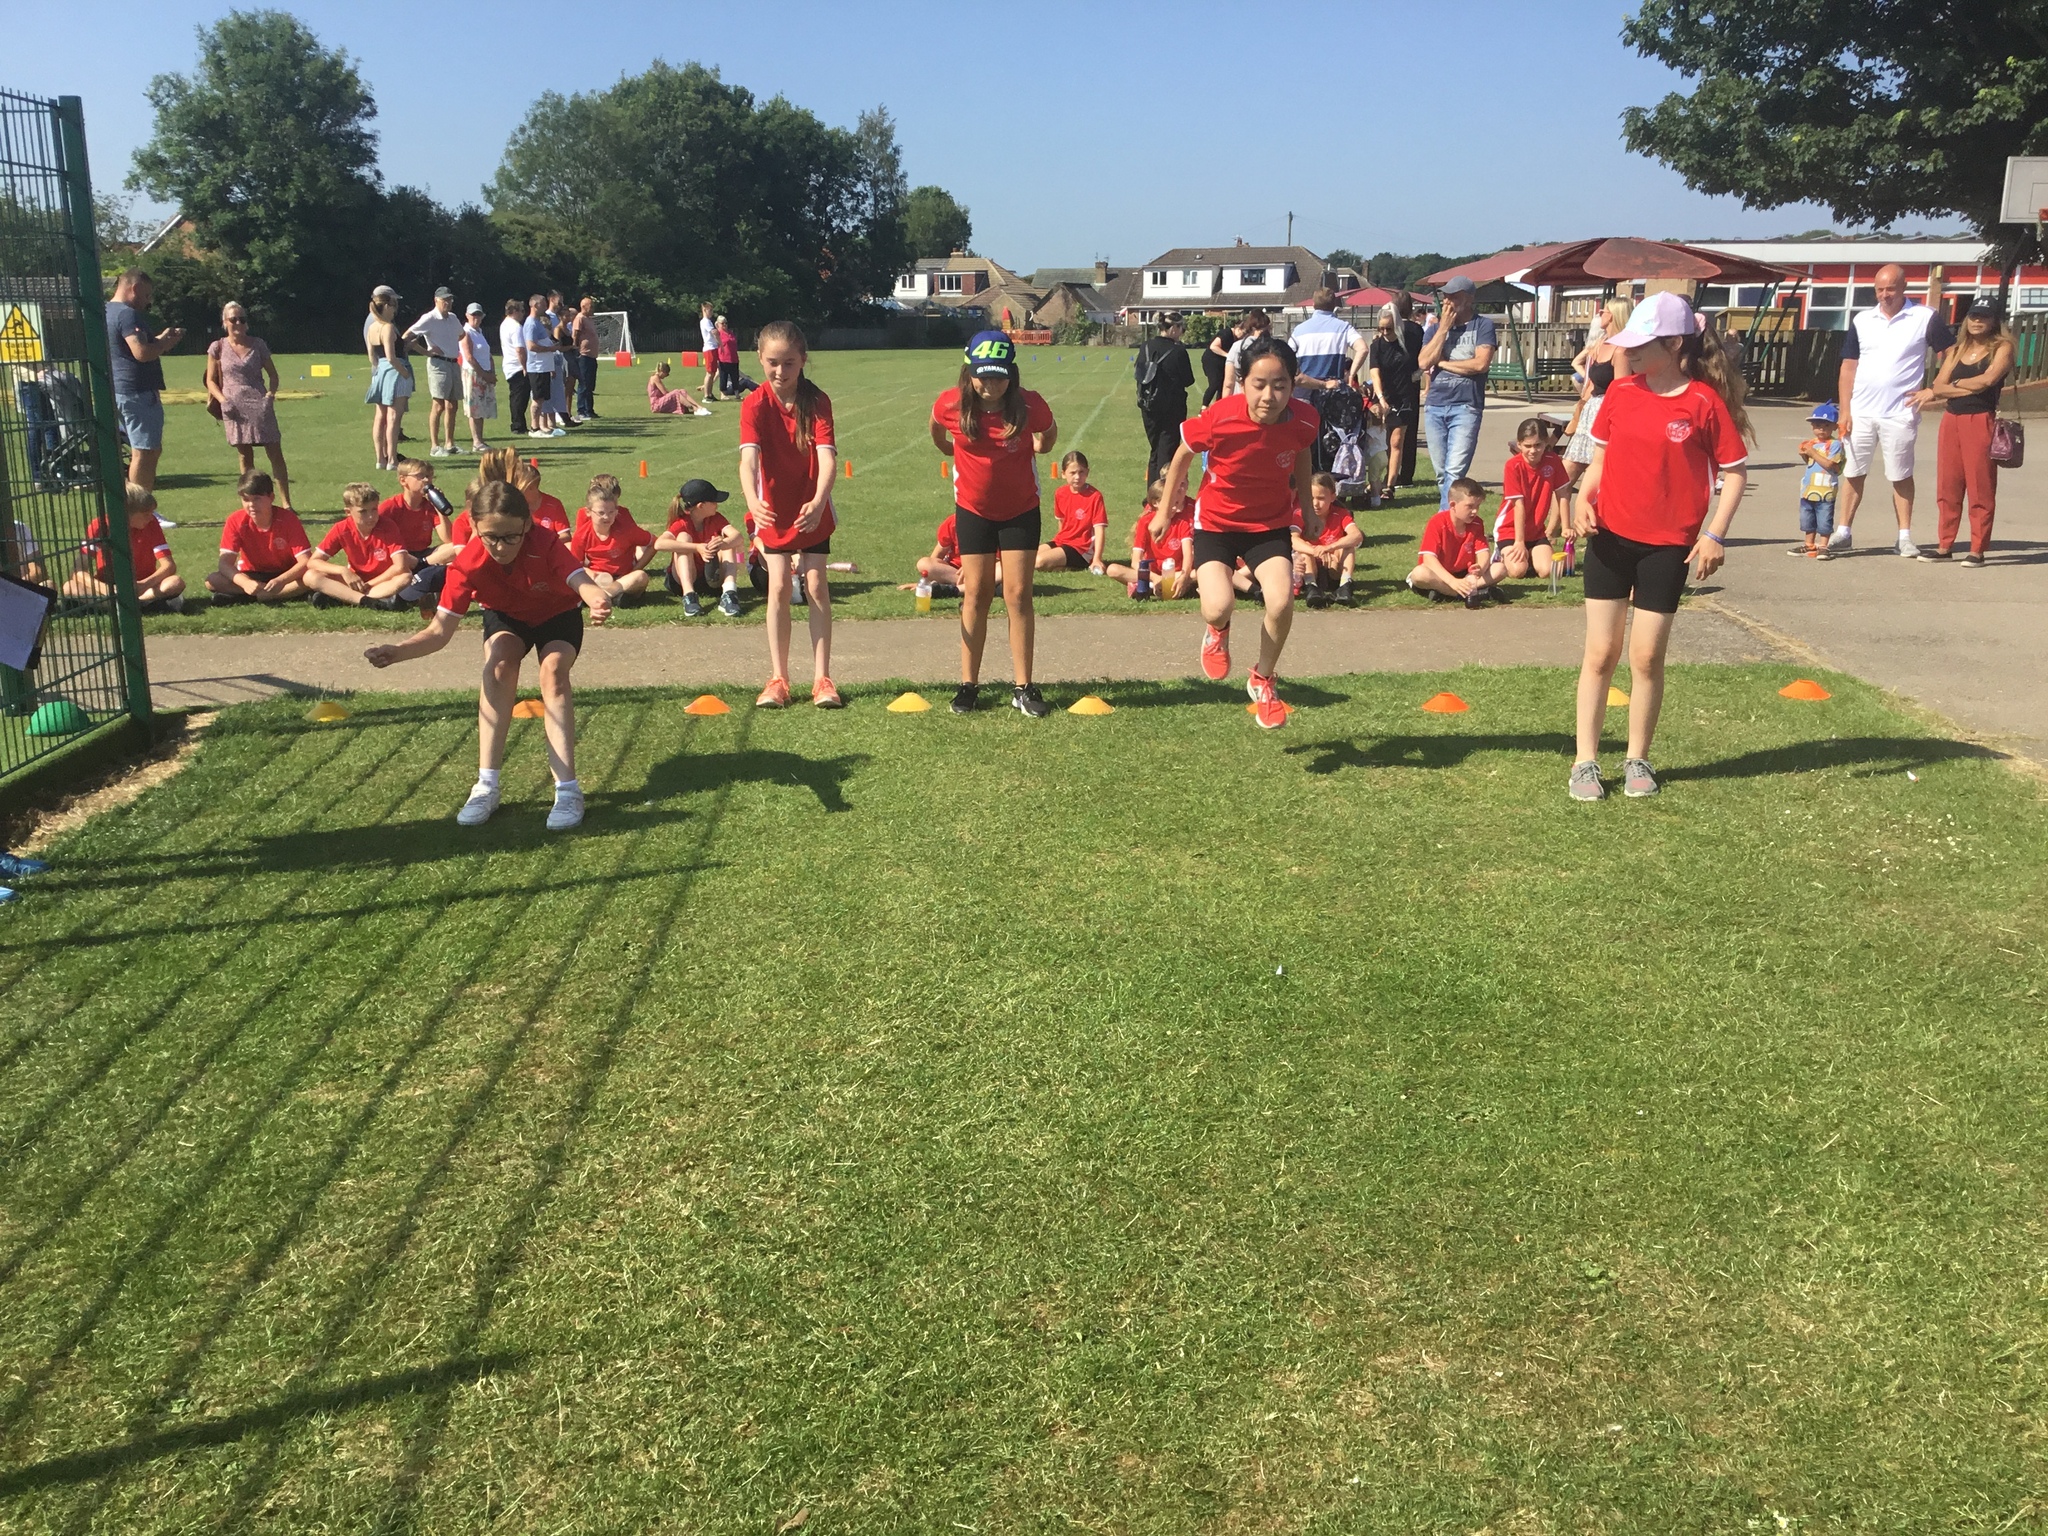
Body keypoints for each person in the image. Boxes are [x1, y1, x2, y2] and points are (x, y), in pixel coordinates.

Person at [1569, 293, 1750, 801]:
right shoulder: (1620, 393)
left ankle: (1637, 759)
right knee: (1600, 653)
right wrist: (1582, 500)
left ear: (1673, 345)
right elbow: (1599, 462)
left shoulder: (1703, 403)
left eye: (1641, 344)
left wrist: (1714, 534)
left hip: (1668, 548)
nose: (1629, 352)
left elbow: (1735, 473)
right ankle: (1585, 762)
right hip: (1609, 539)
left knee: (1646, 658)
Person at [366, 480, 611, 830]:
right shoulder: (467, 564)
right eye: (490, 537)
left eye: (511, 537)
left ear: (526, 525)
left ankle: (568, 791)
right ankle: (486, 786)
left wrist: (596, 598)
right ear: (474, 526)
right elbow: (438, 632)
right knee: (499, 666)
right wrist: (398, 651)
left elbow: (579, 579)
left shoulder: (544, 541)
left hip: (557, 614)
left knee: (554, 672)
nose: (500, 547)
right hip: (506, 616)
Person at [1153, 334, 1319, 728]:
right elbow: (1182, 455)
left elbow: (1301, 453)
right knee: (1218, 606)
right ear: (1243, 382)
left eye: (1280, 385)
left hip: (1269, 524)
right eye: (1259, 385)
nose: (1269, 396)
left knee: (1281, 601)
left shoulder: (1304, 419)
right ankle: (1217, 630)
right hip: (1217, 524)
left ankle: (1263, 679)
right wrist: (1163, 512)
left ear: (1293, 384)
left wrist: (1308, 509)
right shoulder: (1221, 416)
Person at [931, 330, 1059, 716]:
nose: (991, 385)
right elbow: (937, 429)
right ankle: (968, 685)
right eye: (983, 376)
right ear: (968, 372)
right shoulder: (951, 404)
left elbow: (1049, 432)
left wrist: (1040, 446)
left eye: (999, 377)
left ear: (1011, 374)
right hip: (973, 511)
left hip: (1021, 510)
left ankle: (1024, 686)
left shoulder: (1028, 405)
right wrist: (951, 449)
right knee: (976, 593)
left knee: (1018, 595)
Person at [742, 320, 841, 707]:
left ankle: (822, 679)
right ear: (759, 359)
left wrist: (818, 501)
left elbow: (827, 458)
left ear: (802, 360)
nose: (780, 371)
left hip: (810, 505)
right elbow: (748, 460)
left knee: (815, 585)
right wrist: (752, 502)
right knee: (779, 586)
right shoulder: (754, 404)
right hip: (773, 509)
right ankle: (778, 679)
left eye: (789, 363)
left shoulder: (817, 402)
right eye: (772, 363)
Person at [1831, 262, 1950, 556]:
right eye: (1880, 290)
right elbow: (1848, 366)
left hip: (1900, 412)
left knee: (1900, 474)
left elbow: (1950, 353)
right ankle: (1843, 531)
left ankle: (1904, 537)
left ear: (1904, 288)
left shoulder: (1925, 317)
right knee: (1853, 472)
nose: (1885, 295)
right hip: (1861, 411)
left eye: (1891, 289)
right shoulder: (1862, 320)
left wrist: (1934, 389)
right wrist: (1845, 410)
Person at [1914, 296, 2014, 566]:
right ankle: (1944, 545)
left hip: (1980, 420)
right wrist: (1961, 386)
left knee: (1980, 486)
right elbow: (1938, 386)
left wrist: (1955, 385)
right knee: (1948, 485)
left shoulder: (2002, 347)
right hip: (1951, 420)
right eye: (1974, 316)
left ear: (1994, 321)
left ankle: (1977, 549)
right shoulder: (1958, 349)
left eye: (1984, 316)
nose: (1977, 321)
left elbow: (1988, 380)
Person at [203, 302, 294, 511]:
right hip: (233, 407)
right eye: (233, 319)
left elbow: (273, 375)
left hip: (260, 404)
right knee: (245, 455)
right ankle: (250, 502)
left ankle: (286, 504)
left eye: (242, 319)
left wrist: (270, 395)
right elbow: (211, 380)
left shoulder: (258, 344)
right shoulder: (217, 347)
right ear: (224, 322)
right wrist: (223, 400)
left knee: (275, 452)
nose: (238, 323)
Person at [1418, 276, 1497, 511]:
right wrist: (1443, 328)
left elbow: (1480, 364)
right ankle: (1451, 519)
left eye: (1454, 296)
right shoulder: (1435, 329)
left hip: (1466, 406)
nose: (1447, 301)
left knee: (1454, 471)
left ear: (1469, 299)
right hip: (1435, 406)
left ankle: (1445, 521)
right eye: (1445, 296)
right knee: (1442, 473)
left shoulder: (1483, 326)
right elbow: (1423, 361)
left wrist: (1443, 363)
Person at [104, 268, 182, 492]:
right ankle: (140, 504)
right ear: (134, 288)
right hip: (137, 392)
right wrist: (165, 345)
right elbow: (141, 352)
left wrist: (159, 339)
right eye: (146, 295)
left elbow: (125, 348)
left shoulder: (107, 311)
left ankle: (136, 501)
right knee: (144, 451)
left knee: (148, 449)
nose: (148, 301)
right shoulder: (127, 314)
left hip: (119, 389)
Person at [70, 481, 186, 611]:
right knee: (70, 587)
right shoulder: (99, 526)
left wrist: (143, 585)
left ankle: (119, 604)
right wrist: (105, 589)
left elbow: (169, 565)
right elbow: (78, 570)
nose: (151, 518)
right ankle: (138, 603)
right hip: (107, 584)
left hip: (143, 584)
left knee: (175, 582)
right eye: (146, 514)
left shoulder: (152, 524)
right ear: (125, 513)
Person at [205, 471, 311, 604]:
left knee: (310, 577)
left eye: (257, 499)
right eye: (246, 499)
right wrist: (245, 583)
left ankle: (253, 596)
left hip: (286, 573)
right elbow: (225, 563)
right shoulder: (235, 520)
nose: (251, 504)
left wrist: (281, 580)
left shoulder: (288, 519)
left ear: (271, 497)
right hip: (252, 574)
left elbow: (305, 561)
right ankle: (279, 594)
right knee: (212, 580)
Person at [1564, 298, 1635, 496]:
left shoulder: (1622, 350)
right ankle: (1555, 517)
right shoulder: (1601, 343)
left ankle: (1591, 512)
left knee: (1598, 475)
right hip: (1590, 411)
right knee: (1563, 477)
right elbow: (1590, 381)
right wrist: (1580, 408)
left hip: (1607, 411)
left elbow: (1622, 391)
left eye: (1604, 310)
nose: (1600, 312)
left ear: (1613, 315)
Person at [306, 481, 415, 610]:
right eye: (363, 512)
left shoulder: (388, 526)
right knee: (310, 576)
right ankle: (369, 601)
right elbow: (313, 562)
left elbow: (400, 566)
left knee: (405, 577)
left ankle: (344, 597)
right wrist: (343, 571)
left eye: (374, 509)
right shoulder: (341, 528)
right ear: (348, 512)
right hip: (355, 580)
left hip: (382, 581)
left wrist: (368, 584)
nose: (371, 516)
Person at [658, 478, 748, 616]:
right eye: (713, 501)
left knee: (729, 542)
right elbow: (659, 544)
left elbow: (738, 536)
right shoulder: (682, 522)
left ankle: (729, 593)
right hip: (681, 581)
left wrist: (722, 543)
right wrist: (697, 548)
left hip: (711, 578)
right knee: (683, 538)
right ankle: (689, 596)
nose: (717, 504)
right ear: (701, 506)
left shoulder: (716, 518)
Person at [1405, 480, 1502, 607]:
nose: (1475, 511)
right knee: (1419, 574)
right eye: (1470, 506)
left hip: (1464, 574)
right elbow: (1428, 559)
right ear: (1453, 505)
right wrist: (1452, 582)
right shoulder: (1437, 522)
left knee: (1500, 568)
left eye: (1477, 506)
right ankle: (1468, 594)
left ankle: (1448, 593)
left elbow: (1483, 552)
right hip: (1440, 574)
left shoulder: (1477, 523)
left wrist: (1480, 568)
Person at [1498, 417, 1568, 580]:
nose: (1533, 451)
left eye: (1538, 445)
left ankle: (1532, 556)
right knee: (1517, 571)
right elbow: (1519, 505)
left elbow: (1563, 494)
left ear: (1545, 443)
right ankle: (1502, 555)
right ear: (1519, 445)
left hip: (1536, 531)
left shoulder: (1553, 461)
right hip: (1510, 530)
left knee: (1548, 571)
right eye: (1527, 446)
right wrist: (1519, 542)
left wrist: (1566, 527)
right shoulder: (1513, 465)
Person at [1366, 302, 1422, 502]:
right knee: (1379, 443)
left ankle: (1389, 486)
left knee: (1396, 441)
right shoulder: (1377, 346)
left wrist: (1419, 374)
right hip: (1383, 396)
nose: (1384, 332)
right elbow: (1375, 373)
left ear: (1396, 326)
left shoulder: (1409, 342)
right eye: (1381, 328)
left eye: (1388, 329)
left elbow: (1423, 359)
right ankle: (1374, 482)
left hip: (1405, 397)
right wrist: (1381, 397)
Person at [570, 473, 654, 602]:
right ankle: (614, 596)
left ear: (616, 511)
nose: (606, 517)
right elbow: (575, 566)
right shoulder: (582, 533)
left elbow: (654, 542)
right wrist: (593, 574)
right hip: (598, 577)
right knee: (576, 573)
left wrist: (635, 569)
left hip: (623, 577)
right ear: (588, 512)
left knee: (641, 576)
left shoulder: (626, 529)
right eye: (601, 513)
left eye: (611, 512)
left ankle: (604, 595)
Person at [1106, 476, 1193, 599]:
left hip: (1175, 573)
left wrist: (1184, 575)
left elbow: (1188, 554)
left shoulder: (1183, 522)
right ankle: (1154, 585)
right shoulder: (1145, 522)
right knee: (1112, 569)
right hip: (1152, 573)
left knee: (1196, 573)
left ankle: (1147, 587)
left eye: (1177, 503)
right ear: (1155, 503)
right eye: (1169, 504)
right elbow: (1135, 561)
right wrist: (1155, 577)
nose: (1174, 507)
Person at [404, 287, 466, 457]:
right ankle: (434, 446)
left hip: (453, 362)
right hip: (438, 364)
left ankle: (450, 443)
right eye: (444, 300)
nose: (448, 303)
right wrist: (426, 351)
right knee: (438, 405)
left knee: (452, 405)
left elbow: (461, 335)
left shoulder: (453, 318)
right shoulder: (429, 318)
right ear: (436, 300)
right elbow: (407, 336)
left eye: (450, 299)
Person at [1134, 315, 1197, 481]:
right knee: (1167, 453)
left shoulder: (1146, 346)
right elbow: (1188, 380)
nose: (1182, 333)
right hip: (1172, 408)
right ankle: (1162, 491)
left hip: (1148, 405)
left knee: (1155, 451)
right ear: (1174, 328)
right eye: (1182, 328)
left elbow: (1139, 373)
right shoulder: (1178, 351)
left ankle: (1152, 492)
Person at [364, 289, 416, 470]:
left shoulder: (371, 328)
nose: (394, 310)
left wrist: (380, 371)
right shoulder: (387, 327)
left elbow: (372, 357)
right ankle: (392, 459)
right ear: (386, 306)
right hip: (395, 372)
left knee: (380, 417)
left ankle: (380, 459)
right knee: (393, 417)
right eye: (393, 306)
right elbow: (392, 356)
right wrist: (405, 373)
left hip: (380, 372)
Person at [1293, 471, 1361, 607]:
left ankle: (1345, 585)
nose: (1315, 503)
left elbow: (1356, 536)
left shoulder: (1341, 514)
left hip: (1333, 564)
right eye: (1311, 498)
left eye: (1321, 498)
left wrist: (1328, 548)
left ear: (1332, 497)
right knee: (1304, 551)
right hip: (1310, 566)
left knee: (1348, 547)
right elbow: (1292, 539)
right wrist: (1315, 551)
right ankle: (1311, 587)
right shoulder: (1300, 514)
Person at [1289, 287, 1369, 399]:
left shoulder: (1299, 330)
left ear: (1313, 304)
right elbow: (1363, 349)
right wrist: (1350, 374)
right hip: (1333, 392)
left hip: (1304, 391)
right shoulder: (1344, 328)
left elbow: (1286, 357)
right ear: (1334, 305)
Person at [1040, 450, 1108, 574]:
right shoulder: (1060, 493)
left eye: (1081, 472)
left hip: (1081, 548)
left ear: (1087, 472)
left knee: (1038, 561)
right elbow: (1061, 522)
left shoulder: (1095, 496)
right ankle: (1061, 564)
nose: (1077, 477)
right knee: (1028, 555)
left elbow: (1099, 530)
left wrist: (1097, 559)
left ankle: (1072, 564)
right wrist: (1058, 545)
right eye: (1072, 473)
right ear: (1063, 474)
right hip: (1063, 542)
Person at [1794, 402, 1844, 559]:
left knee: (1824, 519)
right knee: (1807, 518)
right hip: (1809, 488)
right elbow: (1810, 463)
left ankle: (1823, 546)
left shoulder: (1835, 445)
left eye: (1826, 425)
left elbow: (1829, 465)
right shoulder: (1812, 443)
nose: (1821, 429)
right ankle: (1809, 544)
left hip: (1825, 489)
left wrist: (1812, 453)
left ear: (1834, 427)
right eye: (1817, 425)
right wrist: (1805, 454)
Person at [383, 459, 450, 565]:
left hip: (423, 553)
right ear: (403, 480)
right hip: (401, 553)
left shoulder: (429, 506)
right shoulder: (391, 506)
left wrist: (440, 507)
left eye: (429, 476)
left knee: (456, 547)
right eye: (420, 476)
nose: (426, 480)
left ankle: (420, 564)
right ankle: (423, 565)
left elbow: (448, 538)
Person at [522, 294, 562, 437]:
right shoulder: (531, 323)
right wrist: (550, 349)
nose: (545, 306)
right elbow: (531, 346)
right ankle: (534, 428)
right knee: (537, 399)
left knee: (542, 399)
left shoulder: (537, 322)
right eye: (543, 304)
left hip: (544, 367)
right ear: (535, 305)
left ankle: (541, 427)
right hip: (537, 367)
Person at [900, 512, 965, 599]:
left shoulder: (983, 523)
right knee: (924, 563)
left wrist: (971, 567)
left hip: (979, 571)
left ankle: (952, 590)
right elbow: (937, 555)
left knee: (981, 578)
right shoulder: (952, 522)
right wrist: (925, 583)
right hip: (953, 572)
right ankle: (967, 585)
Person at [459, 302, 495, 452]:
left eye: (479, 314)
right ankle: (476, 441)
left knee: (481, 409)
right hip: (473, 374)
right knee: (474, 409)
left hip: (484, 373)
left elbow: (488, 354)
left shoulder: (479, 332)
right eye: (473, 314)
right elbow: (469, 357)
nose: (476, 317)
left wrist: (491, 373)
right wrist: (484, 374)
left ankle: (480, 440)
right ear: (467, 316)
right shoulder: (466, 332)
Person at [511, 457, 571, 537]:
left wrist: (547, 542)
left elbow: (565, 535)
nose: (516, 491)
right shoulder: (512, 506)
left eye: (520, 489)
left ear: (531, 487)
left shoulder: (553, 505)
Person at [1221, 309, 1272, 395]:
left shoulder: (1237, 347)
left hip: (1240, 397)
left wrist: (1226, 402)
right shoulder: (1273, 347)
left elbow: (1228, 384)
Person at [499, 298, 530, 437]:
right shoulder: (516, 327)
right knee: (520, 397)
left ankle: (519, 423)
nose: (523, 314)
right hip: (517, 365)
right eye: (522, 311)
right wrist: (525, 366)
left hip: (509, 364)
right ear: (514, 311)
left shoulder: (504, 324)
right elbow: (520, 349)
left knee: (516, 396)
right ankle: (518, 425)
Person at [647, 361, 712, 416]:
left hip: (660, 401)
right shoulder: (655, 378)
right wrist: (673, 395)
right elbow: (664, 392)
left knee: (682, 391)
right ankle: (694, 408)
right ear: (662, 371)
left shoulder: (656, 377)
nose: (666, 376)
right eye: (667, 374)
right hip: (656, 404)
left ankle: (698, 406)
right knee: (676, 393)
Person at [572, 296, 601, 418]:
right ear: (583, 307)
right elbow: (576, 334)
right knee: (583, 383)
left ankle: (590, 409)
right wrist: (576, 349)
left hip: (592, 355)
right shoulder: (580, 318)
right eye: (591, 306)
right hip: (584, 355)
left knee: (590, 384)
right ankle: (581, 410)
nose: (593, 308)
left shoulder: (589, 319)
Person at [1202, 318, 1237, 406]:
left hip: (1222, 361)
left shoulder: (1238, 338)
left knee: (1222, 385)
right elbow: (1213, 346)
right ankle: (1204, 406)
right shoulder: (1226, 334)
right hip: (1211, 360)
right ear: (1237, 328)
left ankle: (1219, 406)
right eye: (1242, 332)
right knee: (1214, 383)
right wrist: (1228, 355)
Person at [715, 315, 742, 399]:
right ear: (718, 324)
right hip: (723, 358)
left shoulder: (730, 332)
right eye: (722, 323)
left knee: (735, 377)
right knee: (724, 376)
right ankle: (723, 394)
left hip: (734, 358)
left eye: (726, 323)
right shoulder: (718, 334)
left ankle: (737, 394)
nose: (725, 325)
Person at [699, 301, 721, 401]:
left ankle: (710, 394)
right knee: (709, 372)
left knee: (713, 372)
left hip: (713, 348)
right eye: (710, 310)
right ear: (704, 310)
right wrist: (720, 343)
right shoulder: (705, 321)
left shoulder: (708, 321)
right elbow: (714, 332)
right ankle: (706, 395)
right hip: (710, 348)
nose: (711, 312)